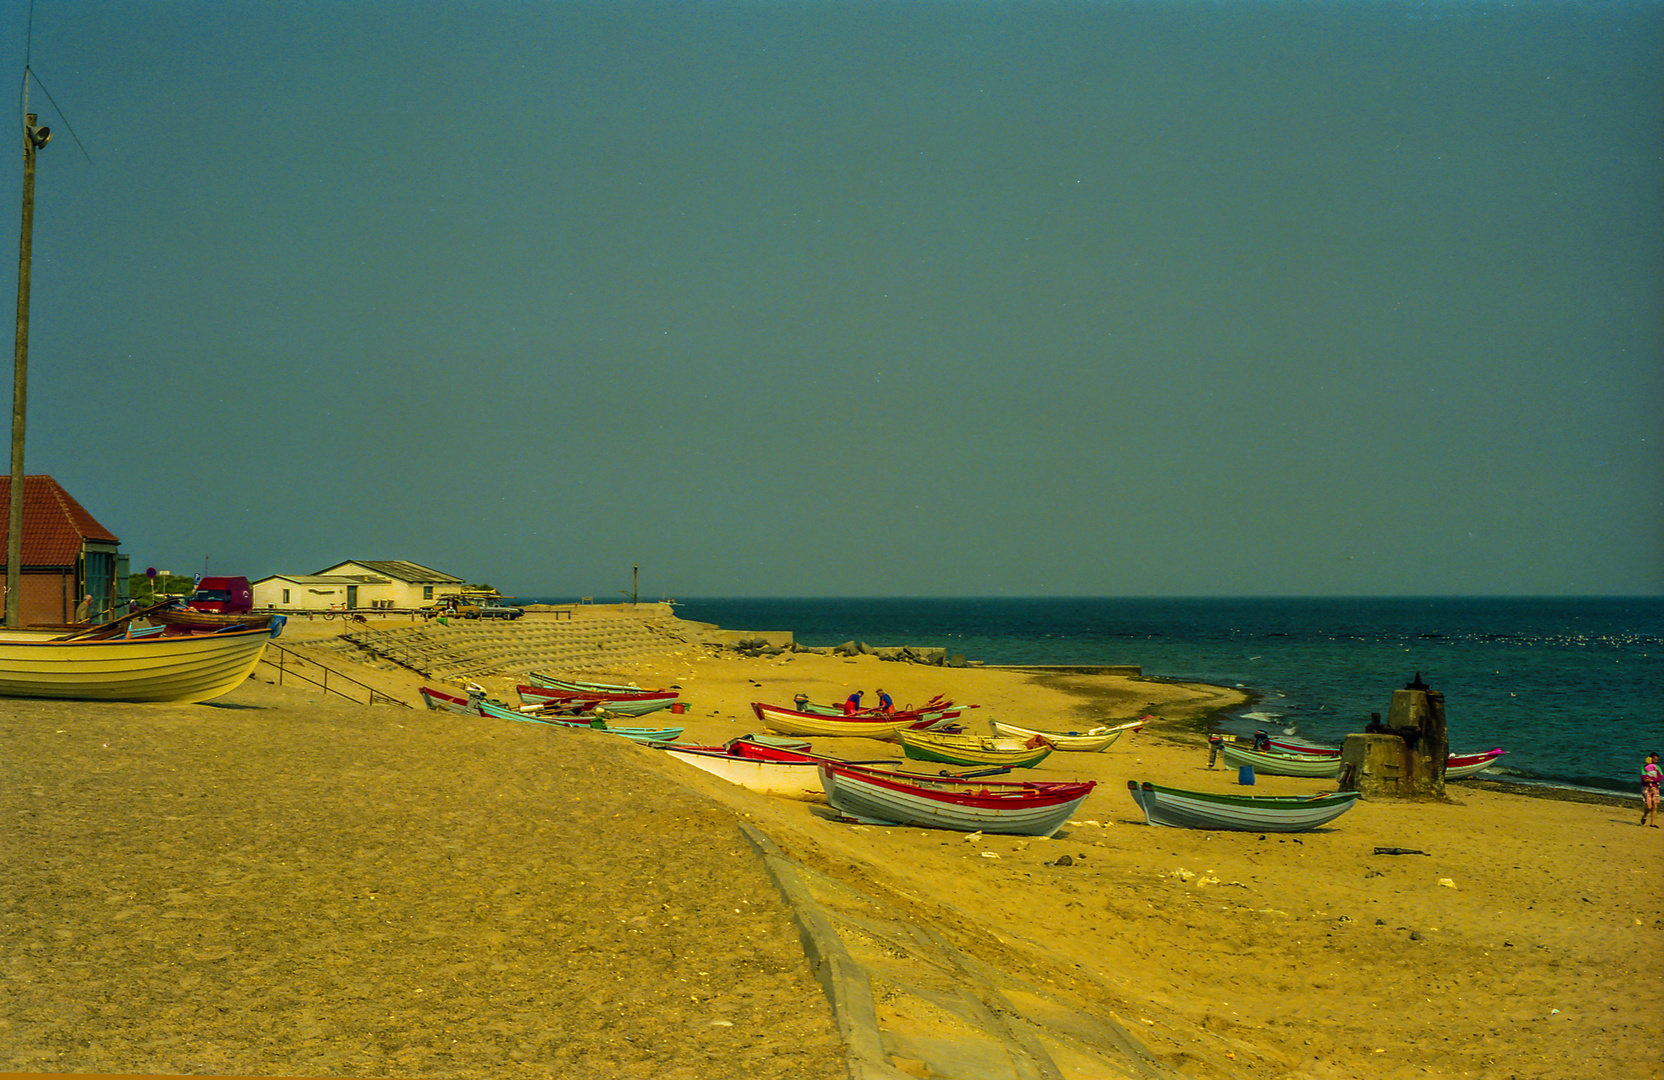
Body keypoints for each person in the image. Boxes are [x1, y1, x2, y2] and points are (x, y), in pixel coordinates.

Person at [1642, 751, 1661, 828]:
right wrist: (1653, 779)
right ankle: (1645, 815)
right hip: (1646, 787)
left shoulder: (1657, 767)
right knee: (1649, 806)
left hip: (1655, 787)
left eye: (1657, 760)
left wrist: (1652, 780)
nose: (1656, 761)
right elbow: (1644, 777)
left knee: (1655, 805)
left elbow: (1660, 777)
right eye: (1654, 759)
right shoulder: (1643, 766)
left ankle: (1652, 823)